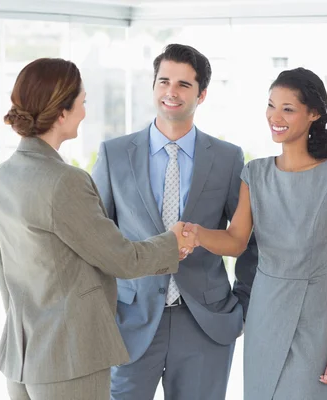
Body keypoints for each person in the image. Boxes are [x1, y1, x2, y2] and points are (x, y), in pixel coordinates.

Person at [0, 58, 195, 400]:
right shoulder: (64, 182)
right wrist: (173, 242)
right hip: (69, 359)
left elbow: (6, 275)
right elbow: (120, 258)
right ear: (62, 112)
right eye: (82, 102)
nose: (84, 111)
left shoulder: (3, 176)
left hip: (22, 358)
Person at [91, 44, 258, 400]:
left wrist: (240, 306)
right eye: (164, 81)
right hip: (130, 321)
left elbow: (248, 241)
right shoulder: (114, 154)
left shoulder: (229, 158)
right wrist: (102, 312)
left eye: (184, 84)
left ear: (202, 94)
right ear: (153, 86)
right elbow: (96, 241)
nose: (171, 91)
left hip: (204, 323)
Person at [184, 67, 327, 399]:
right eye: (271, 105)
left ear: (314, 114)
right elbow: (236, 240)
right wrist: (196, 233)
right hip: (265, 312)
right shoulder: (255, 172)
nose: (275, 117)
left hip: (316, 319)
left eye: (287, 109)